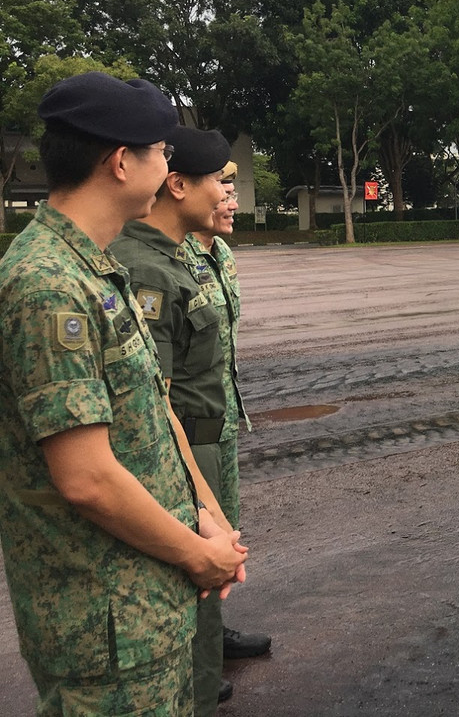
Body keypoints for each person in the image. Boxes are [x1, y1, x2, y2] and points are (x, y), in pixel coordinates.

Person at [0, 71, 247, 715]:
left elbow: (156, 404)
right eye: (161, 151)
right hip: (103, 622)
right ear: (119, 163)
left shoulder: (99, 266)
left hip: (146, 604)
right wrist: (200, 557)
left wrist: (208, 511)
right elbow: (85, 479)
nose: (170, 164)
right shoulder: (48, 284)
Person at [110, 125, 241, 714]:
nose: (225, 192)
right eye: (217, 180)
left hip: (203, 445)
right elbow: (150, 401)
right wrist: (194, 496)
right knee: (191, 593)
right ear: (178, 185)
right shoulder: (147, 271)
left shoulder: (174, 259)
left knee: (206, 596)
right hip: (181, 453)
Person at [185, 162, 273, 662]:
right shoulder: (167, 261)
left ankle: (212, 636)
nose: (231, 200)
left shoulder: (219, 253)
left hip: (221, 418)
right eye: (222, 188)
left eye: (233, 188)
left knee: (225, 522)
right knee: (197, 528)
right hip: (189, 425)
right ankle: (196, 655)